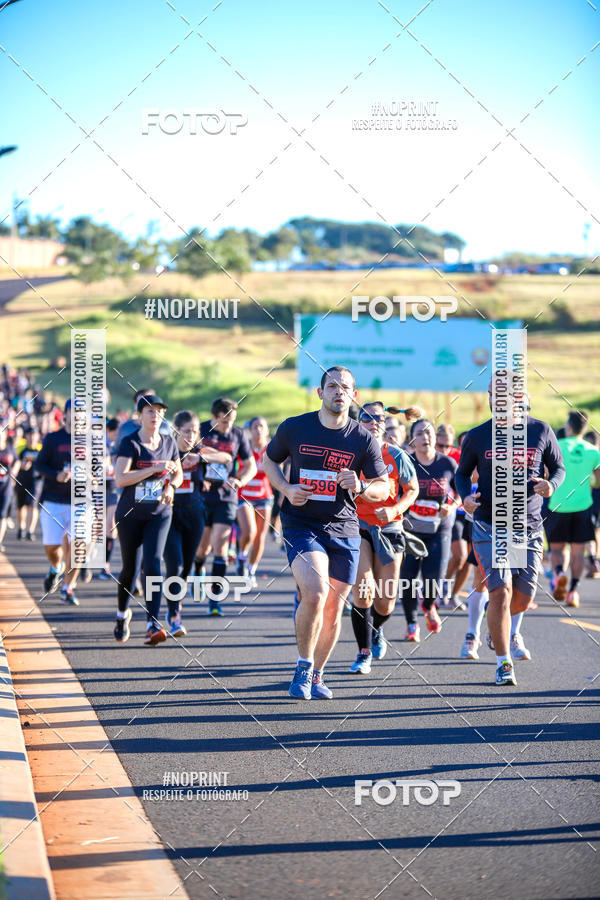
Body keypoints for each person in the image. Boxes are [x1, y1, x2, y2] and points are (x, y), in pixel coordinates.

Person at [263, 366, 389, 700]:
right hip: (302, 524)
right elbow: (269, 462)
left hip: (345, 528)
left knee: (334, 605)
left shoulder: (363, 439)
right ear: (320, 393)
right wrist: (287, 488)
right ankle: (303, 668)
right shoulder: (295, 427)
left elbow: (383, 486)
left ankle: (318, 675)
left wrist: (361, 485)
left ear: (353, 395)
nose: (338, 392)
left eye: (345, 387)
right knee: (317, 592)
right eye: (331, 386)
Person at [456, 377, 565, 686]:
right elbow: (462, 474)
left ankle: (497, 624)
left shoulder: (540, 430)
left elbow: (558, 467)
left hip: (527, 527)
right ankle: (504, 662)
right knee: (500, 591)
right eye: (493, 395)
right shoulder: (477, 436)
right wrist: (465, 497)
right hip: (490, 524)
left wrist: (551, 485)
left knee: (522, 598)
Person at [349, 401, 418, 673]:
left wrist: (395, 509)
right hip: (357, 526)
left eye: (379, 418)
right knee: (363, 591)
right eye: (367, 417)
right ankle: (363, 652)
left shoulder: (397, 455)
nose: (374, 422)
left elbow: (411, 489)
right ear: (358, 422)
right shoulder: (350, 453)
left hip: (390, 528)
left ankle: (376, 629)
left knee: (386, 599)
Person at [113, 394, 183, 644]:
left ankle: (152, 623)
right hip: (131, 513)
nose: (155, 416)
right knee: (130, 568)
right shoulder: (130, 443)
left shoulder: (168, 443)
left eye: (160, 412)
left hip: (159, 513)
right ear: (140, 415)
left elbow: (179, 474)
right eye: (150, 412)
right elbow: (121, 478)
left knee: (153, 564)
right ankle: (122, 614)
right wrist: (152, 470)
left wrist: (171, 486)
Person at [163, 411, 232, 633]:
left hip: (194, 513)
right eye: (186, 431)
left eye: (194, 431)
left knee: (187, 567)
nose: (190, 436)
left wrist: (201, 458)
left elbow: (227, 458)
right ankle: (174, 614)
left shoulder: (198, 450)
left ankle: (176, 601)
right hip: (169, 513)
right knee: (175, 564)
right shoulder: (166, 449)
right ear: (176, 431)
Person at [194, 398, 257, 615]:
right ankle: (198, 568)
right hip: (201, 496)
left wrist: (241, 480)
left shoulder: (238, 434)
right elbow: (189, 454)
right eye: (224, 422)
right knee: (203, 548)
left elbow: (250, 465)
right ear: (214, 417)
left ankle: (215, 599)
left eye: (231, 421)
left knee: (220, 547)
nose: (228, 426)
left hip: (226, 497)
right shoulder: (201, 429)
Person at [398, 419, 458, 641]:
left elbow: (460, 490)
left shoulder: (447, 464)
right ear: (412, 440)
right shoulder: (406, 463)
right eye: (420, 434)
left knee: (436, 576)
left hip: (439, 528)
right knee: (408, 578)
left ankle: (429, 604)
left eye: (429, 432)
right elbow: (395, 492)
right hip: (409, 529)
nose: (425, 437)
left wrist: (451, 505)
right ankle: (411, 623)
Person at [546, 411, 600, 607]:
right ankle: (573, 592)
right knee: (578, 552)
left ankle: (559, 573)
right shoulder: (593, 450)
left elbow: (545, 473)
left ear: (569, 425)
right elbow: (599, 481)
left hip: (558, 505)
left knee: (557, 549)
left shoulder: (557, 446)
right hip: (582, 506)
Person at [35, 400, 81, 603]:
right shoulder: (53, 438)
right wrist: (56, 475)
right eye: (74, 412)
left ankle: (68, 587)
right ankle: (56, 567)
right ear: (66, 415)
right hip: (54, 500)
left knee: (78, 546)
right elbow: (39, 465)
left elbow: (101, 471)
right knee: (52, 548)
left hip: (81, 503)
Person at [237, 416, 274, 587]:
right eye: (255, 426)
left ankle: (251, 571)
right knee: (249, 531)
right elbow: (235, 470)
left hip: (264, 496)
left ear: (266, 430)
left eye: (261, 426)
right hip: (244, 495)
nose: (258, 429)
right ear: (250, 430)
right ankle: (242, 555)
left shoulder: (271, 449)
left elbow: (276, 472)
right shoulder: (243, 448)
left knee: (260, 537)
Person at [15, 426, 43, 541]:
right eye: (29, 434)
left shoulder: (41, 449)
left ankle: (30, 531)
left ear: (38, 436)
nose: (32, 437)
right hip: (21, 480)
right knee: (21, 506)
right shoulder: (21, 448)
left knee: (33, 505)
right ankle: (21, 528)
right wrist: (20, 464)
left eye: (34, 434)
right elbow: (14, 460)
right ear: (26, 436)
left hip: (36, 481)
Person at [583, 430, 600, 578]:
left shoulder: (593, 456)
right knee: (594, 532)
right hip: (590, 497)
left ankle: (594, 562)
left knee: (593, 532)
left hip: (594, 497)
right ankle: (593, 562)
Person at [0, 428, 19, 552]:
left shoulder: (10, 448)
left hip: (6, 487)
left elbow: (17, 462)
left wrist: (14, 474)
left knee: (2, 514)